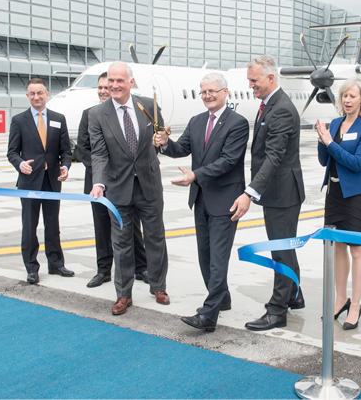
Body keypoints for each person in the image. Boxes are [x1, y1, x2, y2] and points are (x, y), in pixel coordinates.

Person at [156, 73, 250, 332]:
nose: (208, 95)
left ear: (225, 92)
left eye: (212, 91)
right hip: (200, 199)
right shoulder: (197, 121)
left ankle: (209, 315)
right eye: (204, 92)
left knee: (218, 258)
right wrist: (165, 144)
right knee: (205, 256)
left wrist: (195, 175)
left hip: (225, 200)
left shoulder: (238, 123)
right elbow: (181, 148)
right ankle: (223, 298)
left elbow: (228, 161)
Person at [231, 54, 306, 331]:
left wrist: (249, 193)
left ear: (271, 78)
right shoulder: (270, 104)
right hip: (279, 192)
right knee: (284, 247)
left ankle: (277, 311)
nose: (251, 85)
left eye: (254, 80)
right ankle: (294, 296)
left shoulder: (281, 109)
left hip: (282, 193)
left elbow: (274, 157)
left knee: (280, 251)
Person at [88, 61, 169, 315]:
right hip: (118, 188)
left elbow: (161, 141)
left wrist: (163, 142)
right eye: (111, 80)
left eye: (120, 81)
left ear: (130, 83)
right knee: (121, 243)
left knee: (155, 238)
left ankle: (158, 286)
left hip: (149, 185)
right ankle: (123, 294)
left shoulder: (150, 106)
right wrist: (99, 183)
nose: (114, 85)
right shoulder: (97, 114)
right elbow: (99, 154)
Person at [75, 72, 149, 288]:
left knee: (131, 225)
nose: (103, 91)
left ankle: (140, 267)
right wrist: (103, 173)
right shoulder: (89, 114)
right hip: (98, 182)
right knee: (102, 225)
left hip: (126, 181)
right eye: (100, 87)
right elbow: (83, 149)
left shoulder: (129, 112)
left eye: (106, 87)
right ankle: (103, 270)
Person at [315, 78, 361, 330]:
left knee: (356, 249)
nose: (347, 100)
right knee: (337, 247)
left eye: (352, 96)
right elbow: (324, 160)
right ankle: (341, 299)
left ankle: (356, 305)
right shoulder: (336, 123)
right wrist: (322, 140)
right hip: (334, 192)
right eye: (344, 96)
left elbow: (357, 162)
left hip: (356, 195)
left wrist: (330, 143)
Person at [7, 78, 74, 284]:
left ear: (47, 94)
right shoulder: (19, 120)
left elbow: (66, 151)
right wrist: (20, 164)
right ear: (28, 96)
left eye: (40, 93)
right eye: (32, 94)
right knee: (30, 226)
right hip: (29, 182)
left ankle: (56, 264)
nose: (36, 97)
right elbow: (12, 152)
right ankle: (31, 267)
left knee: (52, 224)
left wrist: (66, 166)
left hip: (52, 180)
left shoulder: (58, 118)